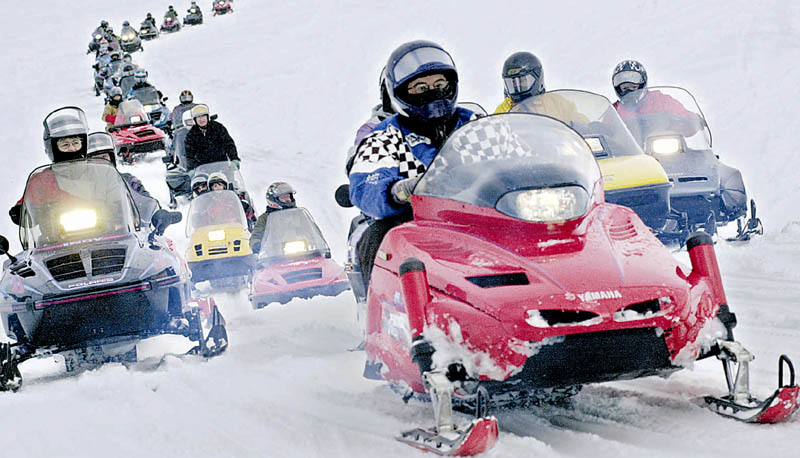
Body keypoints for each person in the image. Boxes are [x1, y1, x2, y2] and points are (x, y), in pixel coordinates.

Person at [348, 40, 474, 286]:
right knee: (377, 236)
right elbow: (365, 184)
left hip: (480, 216)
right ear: (402, 91)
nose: (433, 91)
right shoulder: (384, 136)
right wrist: (396, 190)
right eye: (421, 87)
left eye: (439, 84)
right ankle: (383, 310)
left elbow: (516, 158)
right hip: (416, 223)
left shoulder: (475, 124)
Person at [9, 107, 89, 224]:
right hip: (55, 238)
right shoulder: (42, 180)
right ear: (53, 148)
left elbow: (115, 196)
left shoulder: (98, 171)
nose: (72, 148)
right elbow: (30, 201)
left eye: (76, 143)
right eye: (65, 145)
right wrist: (22, 211)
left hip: (105, 234)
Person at [611, 59, 699, 122]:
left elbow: (681, 113)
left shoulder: (660, 100)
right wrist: (600, 128)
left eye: (633, 87)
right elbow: (604, 132)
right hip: (626, 147)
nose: (629, 92)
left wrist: (692, 119)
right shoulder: (614, 111)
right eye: (625, 88)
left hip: (664, 145)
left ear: (642, 85)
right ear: (618, 89)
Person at [86, 132, 150, 197]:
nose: (101, 161)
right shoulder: (85, 185)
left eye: (104, 157)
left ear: (112, 158)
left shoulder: (128, 180)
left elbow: (146, 200)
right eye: (96, 158)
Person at [184, 105, 239, 171]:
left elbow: (228, 143)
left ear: (207, 117)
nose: (201, 119)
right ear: (195, 120)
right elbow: (189, 154)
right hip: (202, 168)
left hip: (222, 165)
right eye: (198, 117)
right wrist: (190, 169)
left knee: (230, 180)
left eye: (203, 116)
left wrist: (234, 158)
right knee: (199, 181)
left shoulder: (218, 127)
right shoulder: (191, 134)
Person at [250, 182, 296, 253]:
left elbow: (311, 229)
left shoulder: (298, 214)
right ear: (273, 199)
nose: (288, 199)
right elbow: (256, 235)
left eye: (288, 196)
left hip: (300, 250)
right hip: (275, 254)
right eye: (283, 197)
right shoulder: (265, 218)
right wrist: (256, 244)